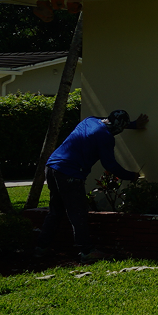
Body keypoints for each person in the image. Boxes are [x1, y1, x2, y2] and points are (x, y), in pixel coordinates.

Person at [36, 109, 148, 262]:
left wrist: (133, 125)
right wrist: (131, 176)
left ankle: (41, 247)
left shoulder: (90, 120)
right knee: (78, 213)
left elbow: (110, 122)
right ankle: (87, 251)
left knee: (56, 210)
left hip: (52, 167)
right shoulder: (105, 137)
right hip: (70, 174)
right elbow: (110, 165)